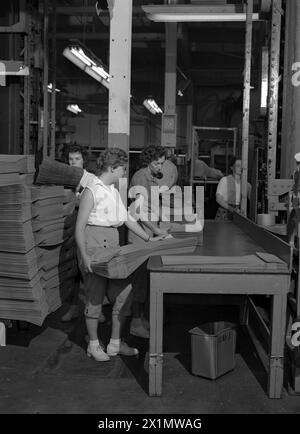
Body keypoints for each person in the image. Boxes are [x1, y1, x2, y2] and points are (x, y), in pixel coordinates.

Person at [75, 147, 165, 361]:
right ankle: (94, 344)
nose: (124, 173)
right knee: (95, 298)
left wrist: (148, 238)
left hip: (114, 245)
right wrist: (85, 257)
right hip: (94, 245)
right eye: (122, 169)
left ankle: (115, 343)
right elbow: (79, 228)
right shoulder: (92, 190)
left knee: (123, 294)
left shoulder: (113, 191)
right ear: (112, 167)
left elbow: (126, 218)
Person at [128, 145, 175, 338]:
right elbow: (137, 210)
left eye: (162, 163)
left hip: (150, 231)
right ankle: (135, 323)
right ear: (148, 161)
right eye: (157, 163)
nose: (160, 167)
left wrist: (162, 225)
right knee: (139, 279)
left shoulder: (154, 177)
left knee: (147, 278)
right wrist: (156, 231)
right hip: (141, 234)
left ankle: (144, 319)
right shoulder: (141, 177)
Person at [61, 144, 106, 323]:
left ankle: (94, 309)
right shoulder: (62, 178)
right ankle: (73, 308)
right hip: (67, 227)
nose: (73, 163)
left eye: (77, 159)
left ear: (84, 160)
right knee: (72, 273)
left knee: (89, 273)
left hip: (86, 229)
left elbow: (95, 204)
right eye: (70, 159)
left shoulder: (91, 179)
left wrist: (79, 199)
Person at [215, 156, 251, 220]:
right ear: (231, 167)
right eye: (238, 166)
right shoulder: (224, 180)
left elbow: (253, 201)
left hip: (239, 212)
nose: (241, 168)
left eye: (242, 166)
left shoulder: (247, 185)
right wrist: (232, 209)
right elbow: (218, 199)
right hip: (224, 212)